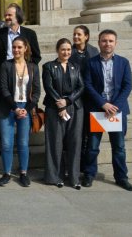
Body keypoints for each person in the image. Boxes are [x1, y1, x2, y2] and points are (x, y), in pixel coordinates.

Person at [82, 30, 132, 191]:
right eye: (104, 41)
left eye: (111, 41)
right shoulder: (91, 63)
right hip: (98, 110)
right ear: (99, 43)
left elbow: (127, 86)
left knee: (119, 148)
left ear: (115, 43)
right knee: (92, 146)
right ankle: (89, 174)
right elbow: (88, 85)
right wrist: (103, 104)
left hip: (117, 111)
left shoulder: (123, 62)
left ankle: (121, 177)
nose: (107, 44)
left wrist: (114, 106)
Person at [0, 36, 40, 187]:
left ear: (25, 48)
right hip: (8, 108)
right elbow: (3, 89)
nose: (16, 50)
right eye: (14, 47)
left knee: (23, 143)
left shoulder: (33, 67)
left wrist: (25, 110)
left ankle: (23, 173)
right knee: (7, 143)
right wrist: (15, 108)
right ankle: (7, 173)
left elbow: (36, 92)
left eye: (19, 47)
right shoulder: (6, 65)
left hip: (25, 109)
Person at [42, 38, 85, 189]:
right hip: (54, 109)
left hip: (75, 108)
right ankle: (55, 176)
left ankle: (74, 178)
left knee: (75, 142)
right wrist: (60, 106)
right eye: (63, 49)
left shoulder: (76, 67)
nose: (66, 52)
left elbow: (81, 87)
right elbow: (48, 87)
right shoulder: (48, 66)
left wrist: (68, 101)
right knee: (55, 142)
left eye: (68, 49)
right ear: (57, 50)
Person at [69, 25, 99, 173]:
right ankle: (77, 165)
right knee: (77, 133)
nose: (75, 37)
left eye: (79, 34)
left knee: (91, 135)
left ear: (86, 36)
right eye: (74, 34)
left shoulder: (94, 51)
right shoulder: (69, 51)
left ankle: (88, 167)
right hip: (75, 98)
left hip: (92, 98)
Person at [0, 3, 41, 68]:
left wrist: (27, 67)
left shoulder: (30, 34)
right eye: (5, 15)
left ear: (17, 16)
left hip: (23, 71)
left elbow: (36, 56)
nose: (6, 17)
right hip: (3, 72)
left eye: (9, 15)